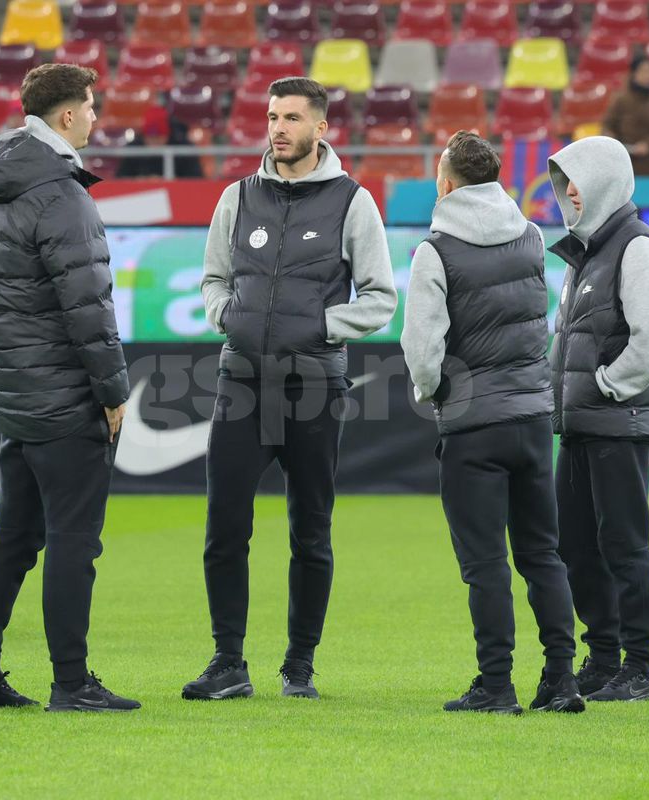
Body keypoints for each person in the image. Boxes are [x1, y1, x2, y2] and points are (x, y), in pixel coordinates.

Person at [186, 76, 396, 701]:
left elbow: (381, 298)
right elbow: (213, 279)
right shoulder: (237, 197)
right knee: (225, 528)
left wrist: (320, 327)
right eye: (273, 117)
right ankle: (228, 663)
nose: (278, 128)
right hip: (242, 380)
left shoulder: (353, 202)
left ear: (321, 128)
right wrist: (227, 315)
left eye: (292, 118)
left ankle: (299, 666)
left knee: (311, 530)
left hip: (314, 383)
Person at [0, 63, 138, 713]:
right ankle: (71, 682)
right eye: (90, 106)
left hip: (14, 391)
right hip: (64, 397)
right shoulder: (62, 195)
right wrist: (112, 391)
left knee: (12, 535)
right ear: (66, 115)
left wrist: (9, 367)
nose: (95, 118)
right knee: (73, 541)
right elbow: (88, 306)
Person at [401, 131, 583, 715]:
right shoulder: (530, 236)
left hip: (473, 425)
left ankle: (497, 684)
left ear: (446, 183)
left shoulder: (435, 251)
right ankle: (562, 679)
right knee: (543, 555)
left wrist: (434, 393)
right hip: (531, 418)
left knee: (485, 565)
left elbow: (422, 349)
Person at [545, 136, 649, 702]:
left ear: (605, 180)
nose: (568, 191)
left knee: (623, 544)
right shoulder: (586, 253)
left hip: (618, 421)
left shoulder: (636, 246)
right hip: (581, 424)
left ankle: (640, 669)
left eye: (577, 178)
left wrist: (603, 387)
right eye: (564, 181)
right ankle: (602, 658)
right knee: (574, 544)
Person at [601, 55, 649, 177]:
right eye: (643, 71)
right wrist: (614, 144)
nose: (648, 75)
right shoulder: (620, 100)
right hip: (624, 163)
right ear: (634, 74)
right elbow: (608, 125)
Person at [115, 106, 204, 179]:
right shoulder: (134, 149)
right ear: (144, 136)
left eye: (158, 138)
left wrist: (169, 181)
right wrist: (138, 180)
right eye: (150, 138)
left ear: (167, 135)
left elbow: (195, 180)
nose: (154, 142)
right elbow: (121, 178)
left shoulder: (183, 149)